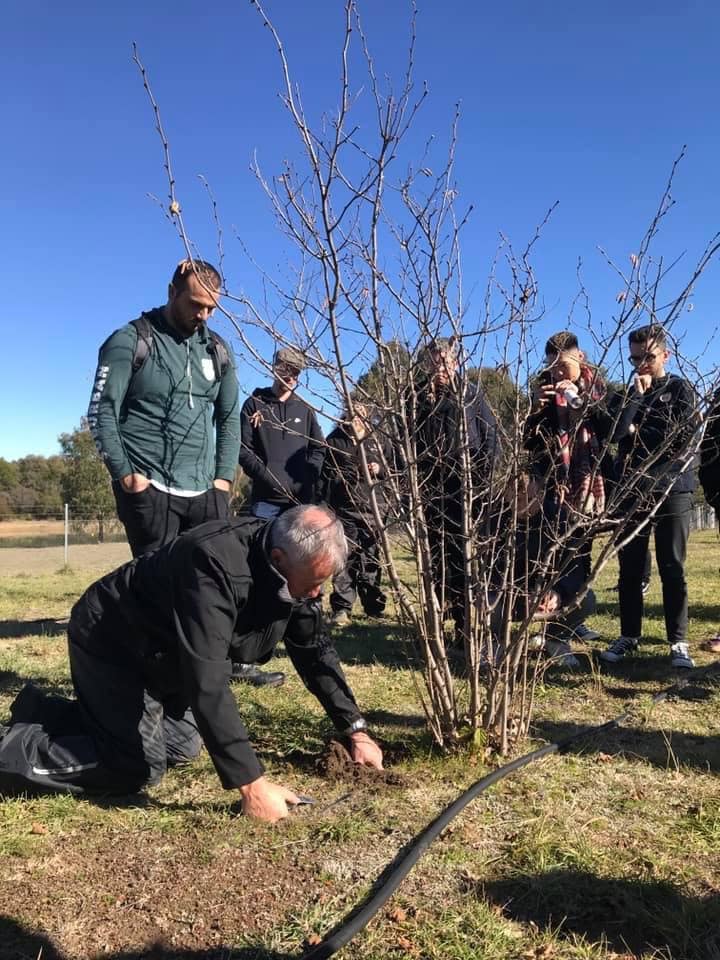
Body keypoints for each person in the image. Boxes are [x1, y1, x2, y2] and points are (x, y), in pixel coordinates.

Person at [0, 506, 383, 822]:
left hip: (164, 654)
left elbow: (315, 652)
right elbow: (207, 678)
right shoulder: (212, 563)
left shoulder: (292, 573)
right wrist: (252, 785)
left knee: (182, 746)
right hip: (113, 642)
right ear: (279, 559)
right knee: (136, 766)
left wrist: (356, 729)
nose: (317, 593)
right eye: (314, 582)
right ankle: (13, 752)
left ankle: (41, 712)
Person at [89, 258, 240, 556]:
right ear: (172, 292)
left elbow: (229, 417)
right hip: (150, 490)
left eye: (212, 308)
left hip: (206, 494)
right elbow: (101, 412)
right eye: (196, 304)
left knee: (207, 591)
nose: (204, 315)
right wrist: (127, 476)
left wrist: (223, 479)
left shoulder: (218, 350)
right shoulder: (130, 341)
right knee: (157, 594)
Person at [525, 331, 630, 650]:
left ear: (580, 358)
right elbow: (530, 444)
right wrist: (533, 411)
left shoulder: (600, 390)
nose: (557, 373)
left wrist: (580, 402)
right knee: (551, 553)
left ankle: (573, 619)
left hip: (588, 485)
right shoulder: (543, 393)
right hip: (553, 483)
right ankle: (548, 620)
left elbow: (613, 431)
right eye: (552, 367)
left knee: (580, 554)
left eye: (563, 366)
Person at [600, 324, 698, 668]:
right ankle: (629, 634)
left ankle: (678, 641)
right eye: (635, 358)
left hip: (673, 488)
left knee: (672, 565)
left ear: (665, 355)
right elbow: (613, 433)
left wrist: (637, 430)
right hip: (632, 489)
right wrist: (637, 399)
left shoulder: (681, 389)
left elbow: (679, 437)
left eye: (649, 357)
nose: (641, 364)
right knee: (629, 567)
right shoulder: (627, 393)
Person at [415, 338, 501, 645]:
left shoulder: (470, 393)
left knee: (464, 559)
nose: (440, 367)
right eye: (434, 362)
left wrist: (480, 482)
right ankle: (438, 626)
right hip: (430, 491)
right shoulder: (418, 397)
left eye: (445, 361)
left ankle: (466, 628)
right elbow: (408, 442)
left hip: (465, 489)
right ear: (426, 365)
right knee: (435, 561)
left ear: (455, 362)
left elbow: (490, 440)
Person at [322, 403, 390, 626]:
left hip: (374, 508)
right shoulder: (334, 440)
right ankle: (342, 608)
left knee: (371, 559)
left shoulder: (378, 440)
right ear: (344, 416)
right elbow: (325, 474)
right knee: (345, 559)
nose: (356, 420)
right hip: (344, 508)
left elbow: (394, 468)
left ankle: (373, 607)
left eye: (361, 416)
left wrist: (378, 469)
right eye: (352, 416)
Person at [238, 346, 325, 520]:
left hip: (300, 503)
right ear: (275, 368)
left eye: (296, 372)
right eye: (286, 369)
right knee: (263, 545)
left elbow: (319, 449)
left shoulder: (306, 409)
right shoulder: (254, 404)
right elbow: (243, 450)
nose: (291, 377)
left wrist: (306, 478)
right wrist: (267, 477)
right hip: (265, 502)